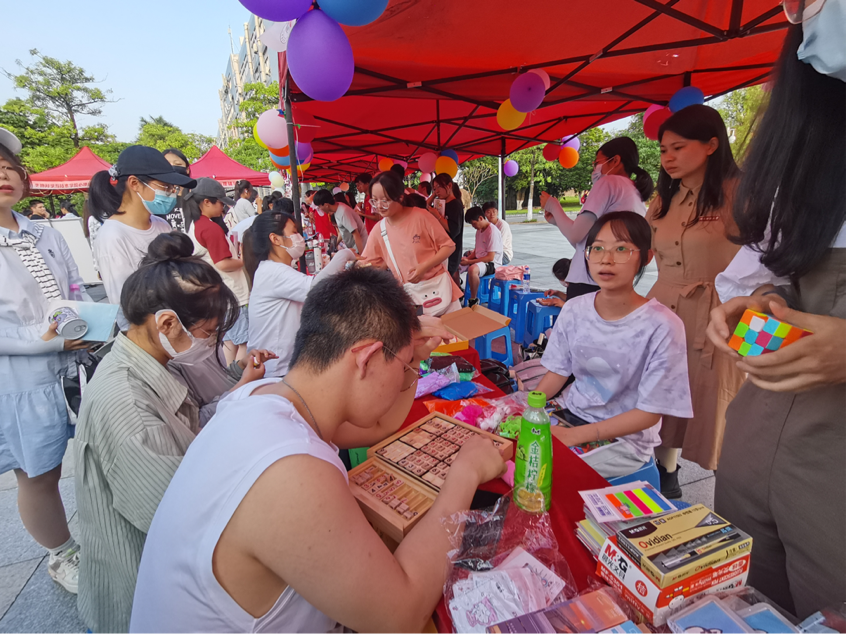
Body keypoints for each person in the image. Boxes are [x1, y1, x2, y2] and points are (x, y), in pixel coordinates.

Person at [131, 267, 505, 633]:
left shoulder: (262, 396)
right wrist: (465, 474)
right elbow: (401, 616)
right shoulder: (289, 473)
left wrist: (413, 357)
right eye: (404, 366)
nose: (406, 378)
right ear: (367, 359)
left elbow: (381, 425)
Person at [706, 15, 846, 617]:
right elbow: (772, 269)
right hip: (755, 437)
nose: (799, 8)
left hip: (831, 467)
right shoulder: (807, 152)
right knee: (748, 602)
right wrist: (762, 301)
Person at [75, 233, 270, 633]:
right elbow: (176, 519)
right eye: (208, 333)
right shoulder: (128, 405)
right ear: (167, 322)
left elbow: (190, 424)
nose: (211, 344)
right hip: (139, 595)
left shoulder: (153, 361)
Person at [0, 127, 92, 594]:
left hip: (73, 365)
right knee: (38, 473)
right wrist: (49, 341)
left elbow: (74, 287)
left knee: (89, 452)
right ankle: (61, 553)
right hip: (24, 379)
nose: (4, 174)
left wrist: (87, 322)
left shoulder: (44, 232)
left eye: (8, 166)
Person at [536, 212, 692, 479]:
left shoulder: (663, 326)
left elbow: (649, 413)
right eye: (597, 249)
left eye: (621, 249)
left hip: (626, 441)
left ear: (646, 257)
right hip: (571, 412)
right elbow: (558, 372)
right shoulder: (574, 309)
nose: (606, 259)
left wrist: (574, 436)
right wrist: (528, 408)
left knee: (541, 469)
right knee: (508, 445)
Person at [645, 104, 744, 495]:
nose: (668, 158)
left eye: (678, 148)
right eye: (663, 150)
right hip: (663, 311)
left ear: (711, 145)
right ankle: (665, 474)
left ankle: (734, 486)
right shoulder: (663, 200)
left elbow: (766, 261)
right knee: (663, 393)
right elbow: (641, 250)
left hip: (723, 315)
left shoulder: (742, 195)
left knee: (720, 400)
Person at [88, 145, 196, 330]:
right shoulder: (112, 237)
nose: (172, 192)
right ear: (134, 183)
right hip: (150, 334)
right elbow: (126, 306)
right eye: (165, 186)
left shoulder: (161, 225)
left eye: (173, 187)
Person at [541, 137, 654, 299]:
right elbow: (585, 244)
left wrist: (553, 205)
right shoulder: (634, 191)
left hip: (589, 280)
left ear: (615, 161)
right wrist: (557, 220)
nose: (594, 169)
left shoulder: (609, 182)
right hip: (616, 279)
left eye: (597, 163)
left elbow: (576, 235)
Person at [247, 211, 357, 377]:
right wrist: (345, 254)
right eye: (294, 232)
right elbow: (317, 288)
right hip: (276, 368)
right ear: (275, 239)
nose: (299, 237)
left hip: (281, 363)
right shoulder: (272, 271)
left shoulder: (273, 269)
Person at [360, 171, 461, 315]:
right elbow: (368, 263)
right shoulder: (379, 230)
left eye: (385, 200)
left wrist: (423, 267)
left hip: (442, 291)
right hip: (413, 300)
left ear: (400, 197)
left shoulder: (421, 216)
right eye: (374, 200)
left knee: (455, 329)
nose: (379, 206)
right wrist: (351, 263)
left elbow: (449, 246)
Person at [184, 178, 251, 365]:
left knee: (229, 341)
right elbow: (222, 263)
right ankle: (239, 376)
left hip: (218, 294)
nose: (223, 207)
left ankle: (228, 376)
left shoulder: (194, 225)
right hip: (231, 293)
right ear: (207, 202)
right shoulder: (210, 228)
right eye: (220, 202)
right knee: (243, 342)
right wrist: (244, 261)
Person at [460, 206, 503, 306]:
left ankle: (473, 299)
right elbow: (476, 251)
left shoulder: (492, 231)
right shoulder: (479, 231)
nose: (473, 226)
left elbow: (490, 257)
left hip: (492, 263)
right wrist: (467, 259)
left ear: (480, 218)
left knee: (472, 269)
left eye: (473, 223)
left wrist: (469, 262)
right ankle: (458, 292)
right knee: (455, 265)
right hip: (479, 260)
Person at [433, 173, 464, 286]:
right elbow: (425, 206)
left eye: (439, 187)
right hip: (442, 249)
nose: (437, 191)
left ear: (449, 186)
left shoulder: (455, 204)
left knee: (446, 281)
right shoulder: (441, 203)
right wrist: (434, 195)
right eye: (434, 188)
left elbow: (454, 230)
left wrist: (437, 216)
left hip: (452, 252)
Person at [313, 188, 367, 254]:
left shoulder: (343, 212)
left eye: (319, 207)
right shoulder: (337, 207)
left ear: (326, 205)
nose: (319, 209)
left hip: (361, 246)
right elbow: (342, 232)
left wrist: (361, 255)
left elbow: (356, 233)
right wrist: (334, 245)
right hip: (354, 247)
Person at [162, 148, 191, 232]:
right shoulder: (157, 198)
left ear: (187, 169)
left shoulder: (194, 194)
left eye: (177, 164)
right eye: (167, 164)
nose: (172, 167)